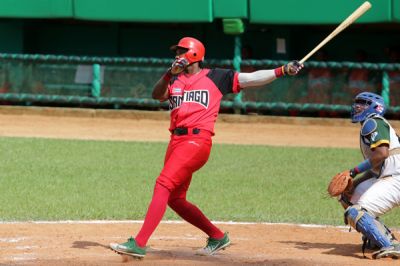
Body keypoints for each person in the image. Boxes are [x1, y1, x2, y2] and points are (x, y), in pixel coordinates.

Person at [109, 37, 303, 259]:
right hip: (175, 142)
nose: (176, 55)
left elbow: (250, 79)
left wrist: (282, 70)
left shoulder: (216, 77)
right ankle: (218, 236)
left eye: (181, 51)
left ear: (193, 54)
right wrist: (168, 74)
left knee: (163, 184)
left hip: (197, 141)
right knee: (175, 199)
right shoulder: (174, 79)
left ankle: (139, 243)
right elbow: (157, 95)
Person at [336, 92, 400, 259]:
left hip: (396, 179)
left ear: (375, 107)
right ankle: (377, 238)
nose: (357, 106)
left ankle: (391, 245)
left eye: (363, 103)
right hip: (390, 177)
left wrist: (352, 172)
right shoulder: (372, 124)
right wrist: (355, 183)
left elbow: (381, 154)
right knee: (348, 197)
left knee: (356, 212)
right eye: (357, 102)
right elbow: (377, 167)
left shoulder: (372, 122)